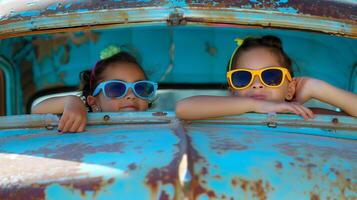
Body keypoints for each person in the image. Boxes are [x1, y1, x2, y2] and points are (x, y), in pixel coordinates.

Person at [176, 35, 357, 120]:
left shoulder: (302, 115)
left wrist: (315, 87)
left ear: (290, 88)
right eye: (242, 78)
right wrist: (256, 105)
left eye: (271, 76)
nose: (256, 85)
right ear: (232, 90)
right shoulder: (220, 112)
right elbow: (184, 108)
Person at [31, 48, 158, 133]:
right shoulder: (84, 124)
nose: (131, 95)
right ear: (94, 102)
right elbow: (36, 110)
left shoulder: (157, 128)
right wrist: (72, 101)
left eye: (140, 88)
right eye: (116, 88)